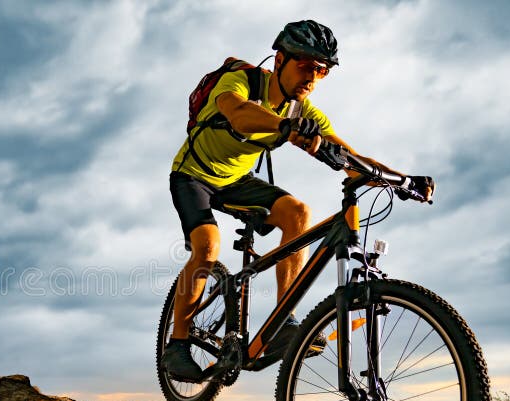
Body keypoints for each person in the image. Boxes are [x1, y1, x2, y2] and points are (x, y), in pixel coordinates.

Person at [163, 20, 431, 382]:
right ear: (279, 61)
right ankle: (177, 344)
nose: (313, 77)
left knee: (299, 213)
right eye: (306, 66)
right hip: (193, 175)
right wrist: (283, 127)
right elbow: (238, 114)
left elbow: (350, 157)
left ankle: (282, 324)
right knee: (207, 247)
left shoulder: (304, 112)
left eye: (322, 70)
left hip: (237, 180)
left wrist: (402, 180)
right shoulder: (242, 80)